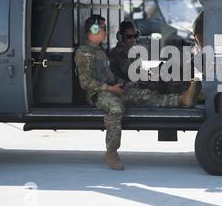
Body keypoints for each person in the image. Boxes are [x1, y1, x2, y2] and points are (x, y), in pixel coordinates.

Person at [75, 15, 199, 170]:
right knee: (116, 108)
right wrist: (110, 88)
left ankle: (181, 99)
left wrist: (124, 83)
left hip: (112, 87)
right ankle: (111, 151)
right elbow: (85, 82)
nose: (106, 32)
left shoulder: (99, 51)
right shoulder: (84, 52)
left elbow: (109, 75)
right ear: (93, 30)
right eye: (103, 28)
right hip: (97, 93)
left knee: (144, 94)